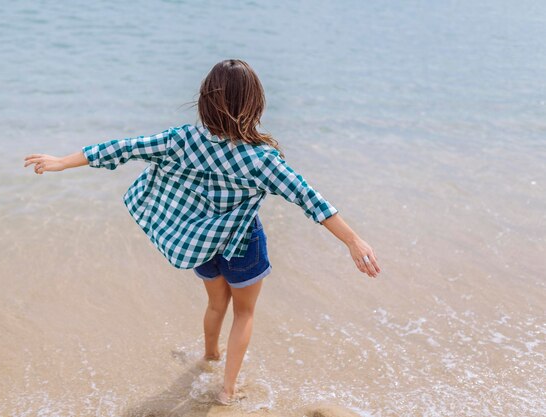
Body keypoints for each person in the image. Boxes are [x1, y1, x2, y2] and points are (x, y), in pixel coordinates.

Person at [23, 59, 381, 406]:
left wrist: (62, 162)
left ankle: (209, 354)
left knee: (215, 303)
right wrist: (353, 240)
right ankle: (227, 389)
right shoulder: (262, 159)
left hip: (200, 245)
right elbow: (309, 198)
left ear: (205, 99)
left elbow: (123, 148)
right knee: (244, 314)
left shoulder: (182, 140)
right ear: (255, 104)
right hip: (242, 246)